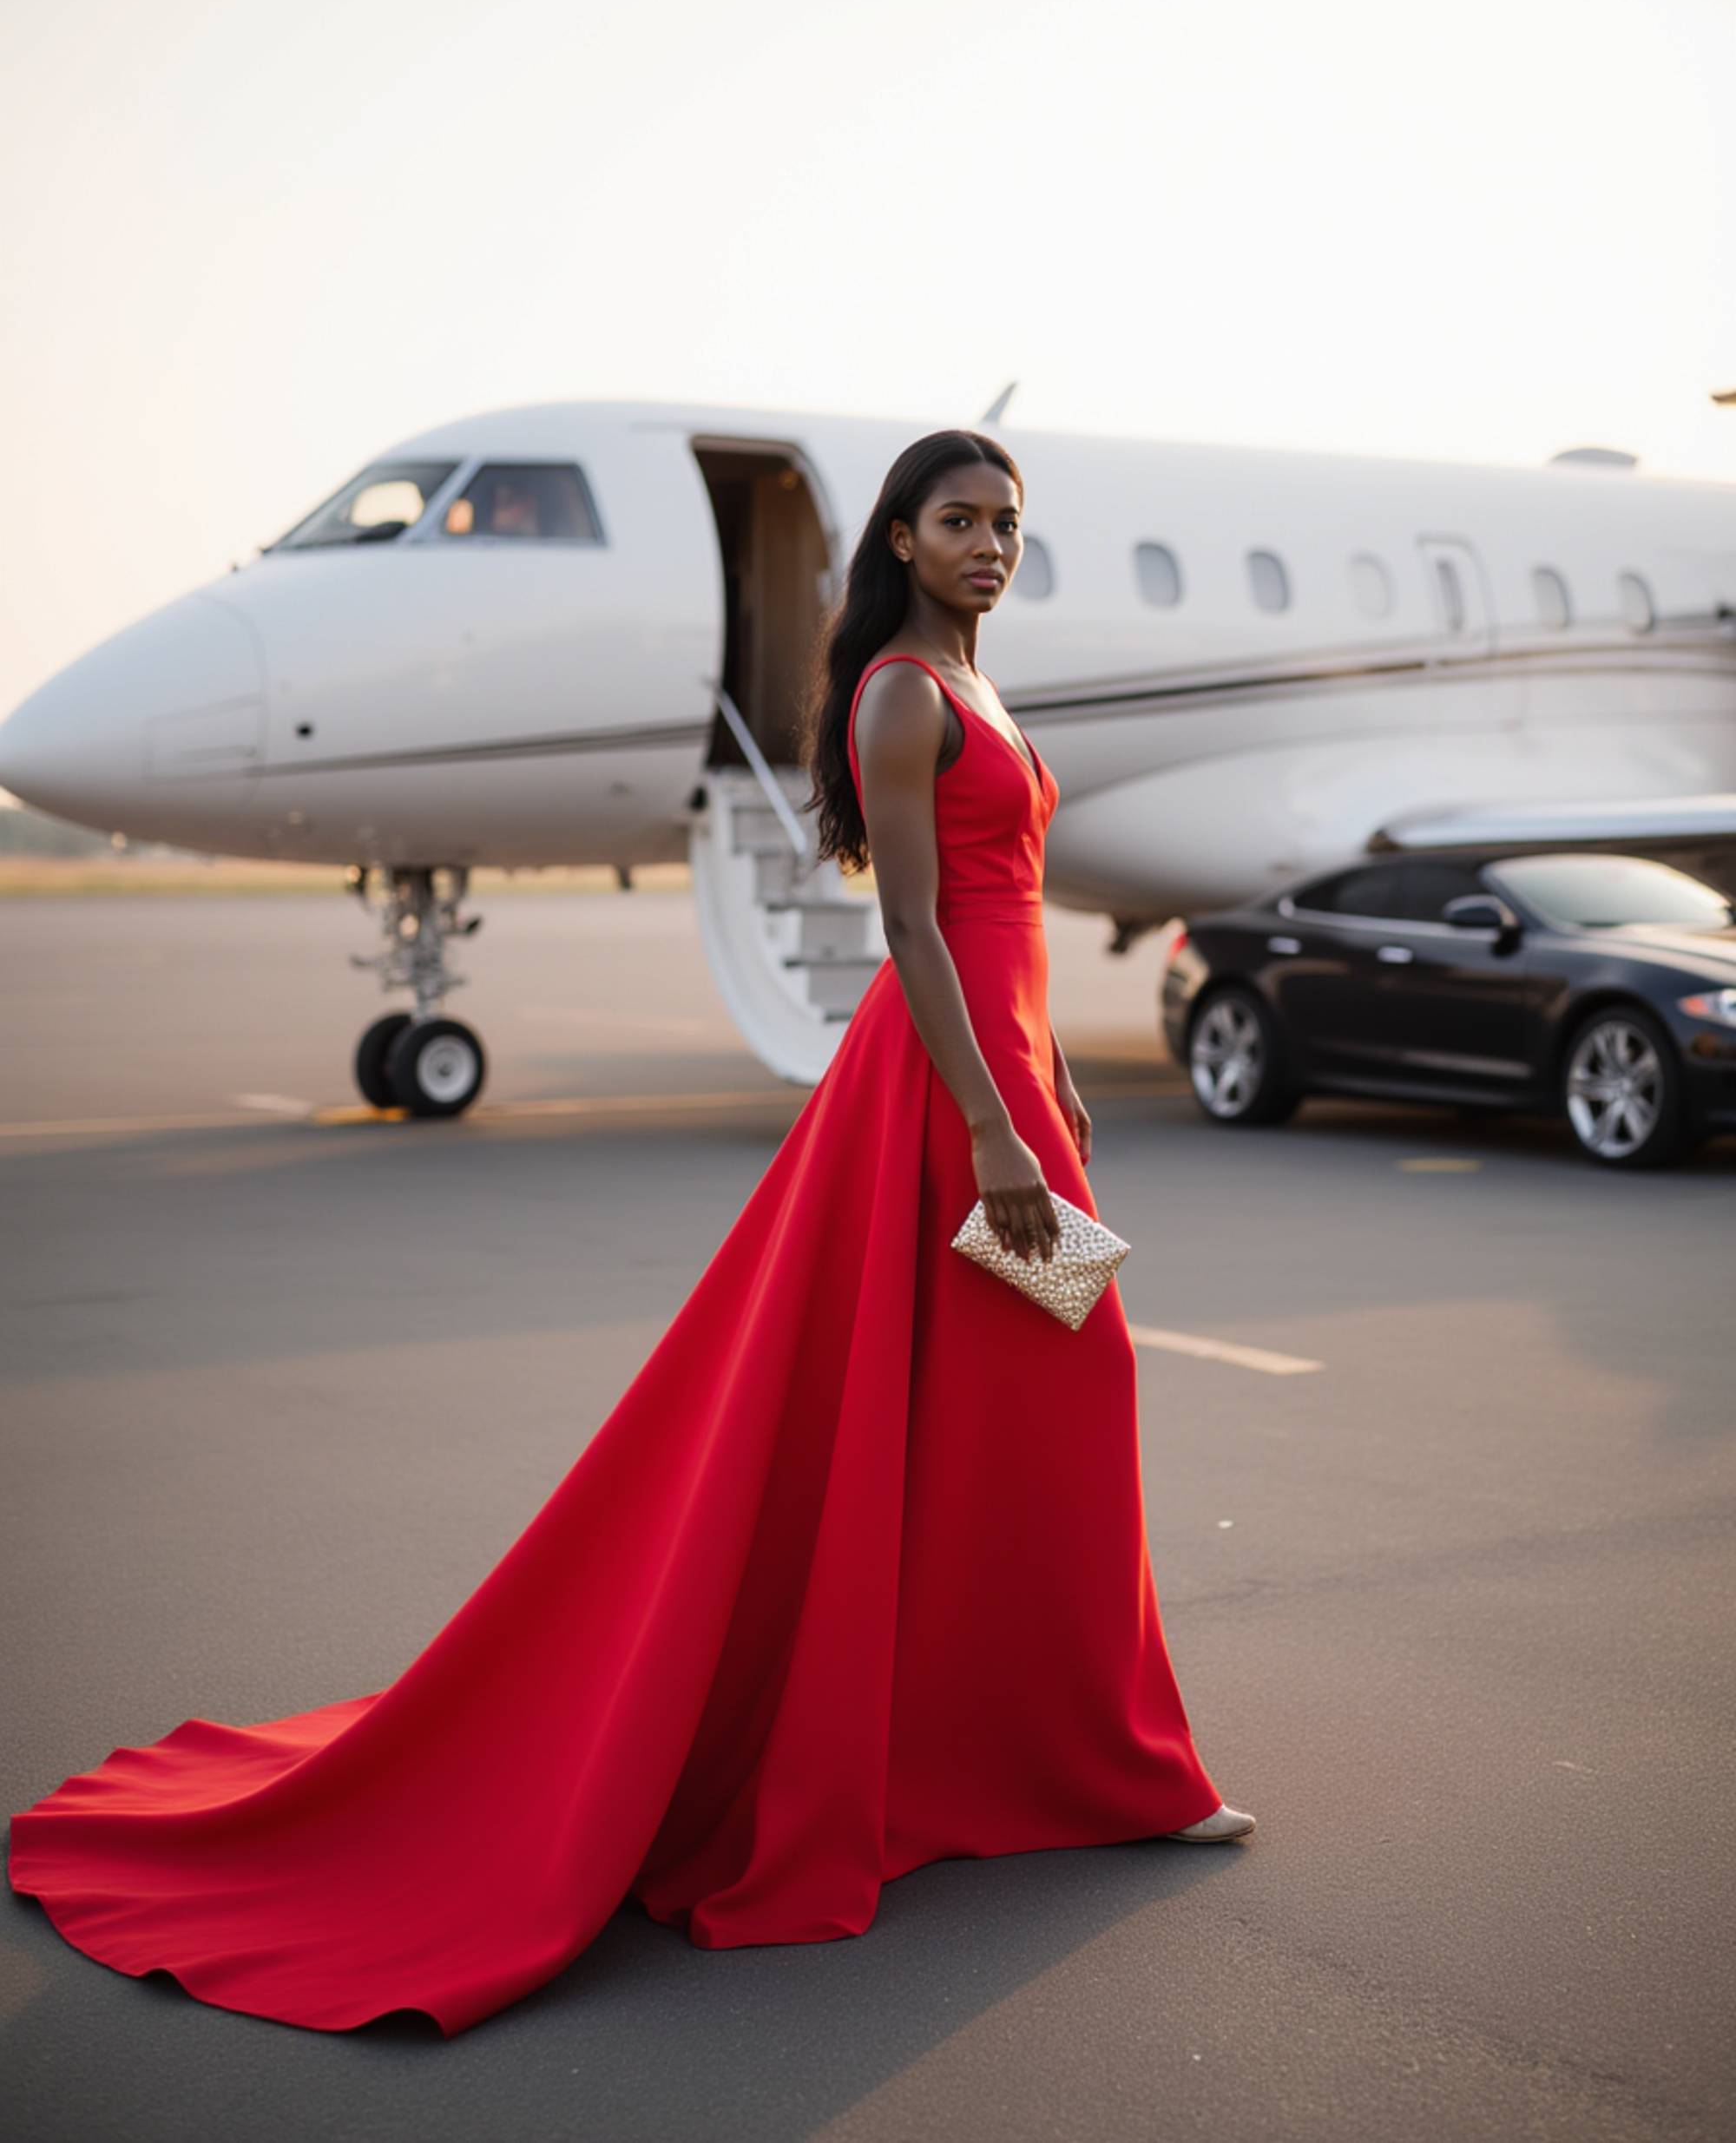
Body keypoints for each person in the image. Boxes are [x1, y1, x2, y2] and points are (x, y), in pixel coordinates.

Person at [6, 428, 1252, 2040]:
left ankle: (1073, 1758)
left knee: (1027, 1426)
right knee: (1040, 1399)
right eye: (960, 521)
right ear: (899, 537)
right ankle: (1103, 1762)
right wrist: (999, 1128)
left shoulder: (986, 685)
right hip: (944, 1103)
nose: (991, 544)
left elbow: (1008, 923)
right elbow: (918, 929)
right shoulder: (899, 696)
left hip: (1012, 1080)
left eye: (1009, 523)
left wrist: (1062, 1076)